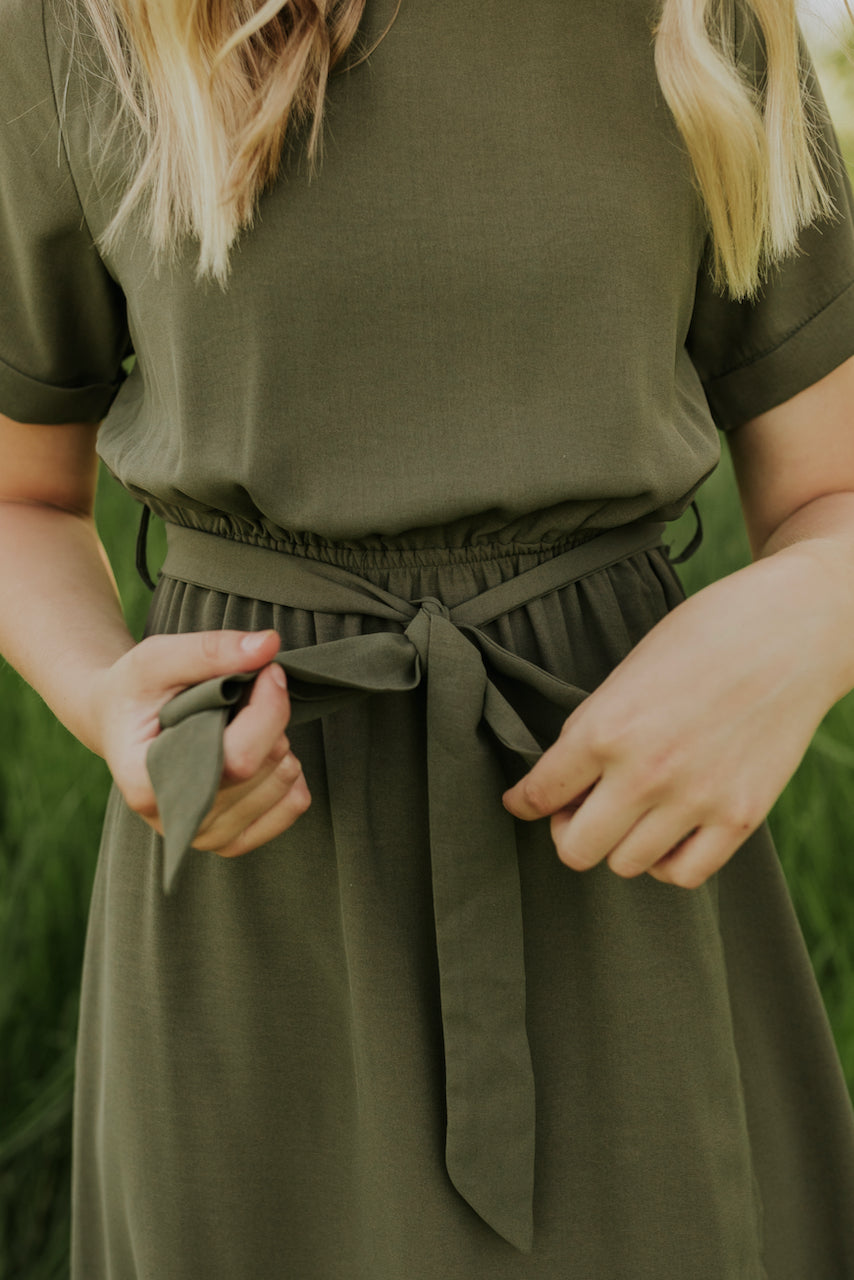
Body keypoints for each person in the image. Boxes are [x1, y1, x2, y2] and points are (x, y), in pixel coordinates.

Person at [2, 0, 854, 1275]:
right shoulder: (81, 23)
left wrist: (809, 625)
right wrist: (103, 695)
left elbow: (829, 490)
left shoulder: (699, 18)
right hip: (249, 909)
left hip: (624, 875)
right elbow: (19, 493)